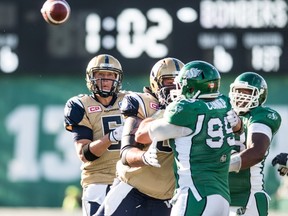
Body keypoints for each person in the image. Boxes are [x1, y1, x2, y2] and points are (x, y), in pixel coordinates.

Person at [135, 60, 236, 216]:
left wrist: (162, 111)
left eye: (180, 84)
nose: (178, 89)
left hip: (195, 195)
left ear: (191, 85)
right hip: (222, 197)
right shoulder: (224, 104)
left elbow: (141, 135)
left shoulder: (186, 110)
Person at [95, 57, 184, 216]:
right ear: (156, 83)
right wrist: (144, 157)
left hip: (167, 198)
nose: (175, 88)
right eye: (169, 82)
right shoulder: (143, 103)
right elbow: (126, 153)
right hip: (132, 190)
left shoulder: (194, 109)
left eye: (180, 83)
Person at [64, 54, 127, 216]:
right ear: (91, 77)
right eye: (100, 75)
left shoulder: (131, 100)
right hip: (98, 181)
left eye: (110, 75)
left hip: (129, 182)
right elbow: (84, 154)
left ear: (117, 78)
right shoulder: (80, 105)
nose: (105, 80)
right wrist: (111, 138)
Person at [228, 72, 282, 216]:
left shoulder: (261, 116)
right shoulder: (221, 113)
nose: (241, 96)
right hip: (217, 194)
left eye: (247, 92)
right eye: (238, 91)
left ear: (260, 95)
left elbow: (256, 152)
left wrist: (220, 165)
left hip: (246, 198)